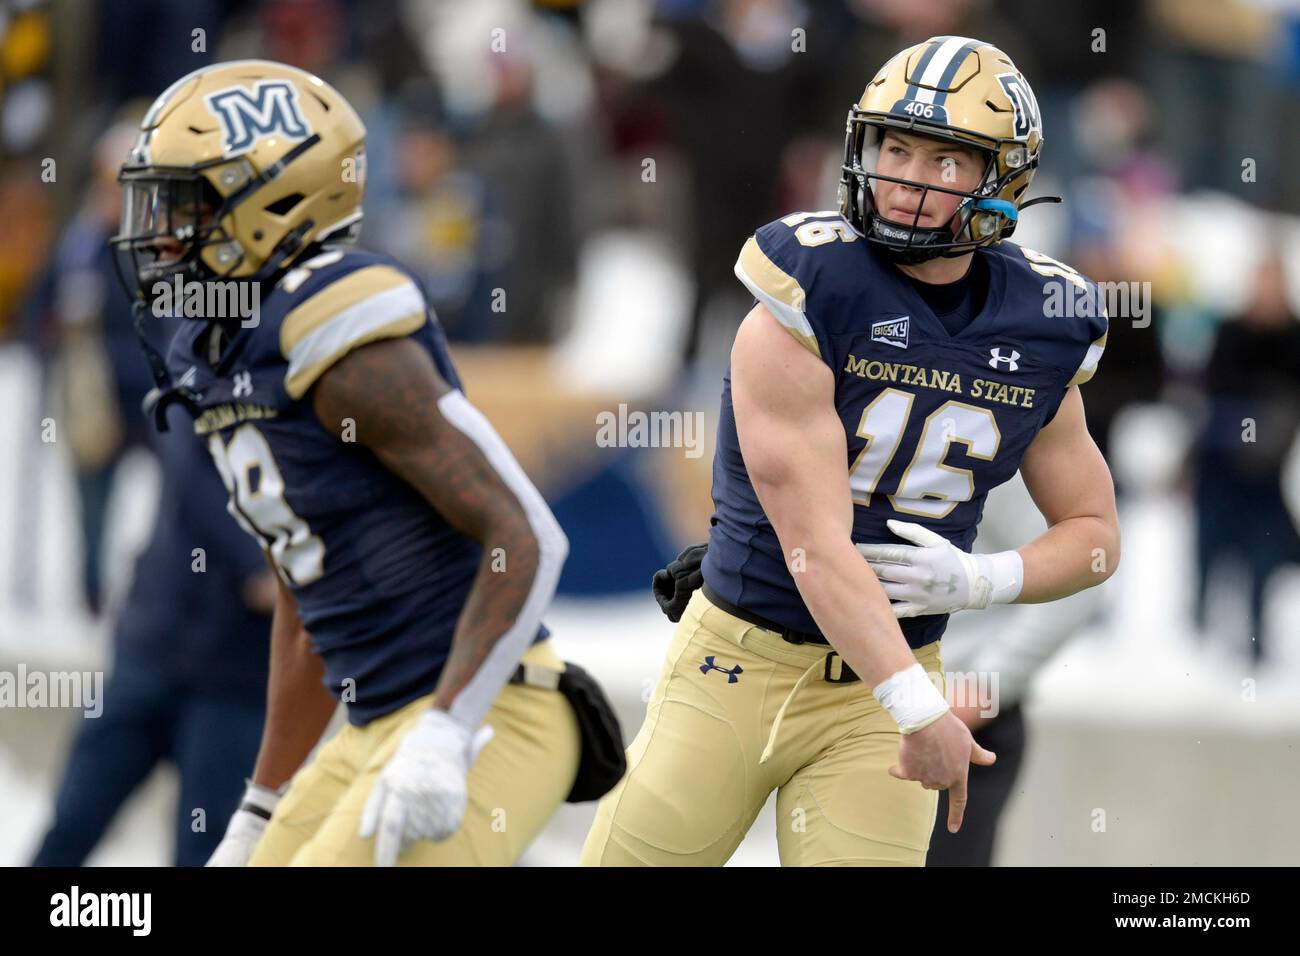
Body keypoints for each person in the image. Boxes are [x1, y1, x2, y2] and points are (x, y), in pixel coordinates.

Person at [583, 36, 1119, 867]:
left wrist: (983, 580)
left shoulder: (1042, 320)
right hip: (739, 660)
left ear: (1002, 180)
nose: (906, 177)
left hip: (891, 680)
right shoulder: (805, 292)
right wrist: (916, 704)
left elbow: (1094, 538)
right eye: (894, 147)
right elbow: (815, 548)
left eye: (945, 159)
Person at [110, 59, 604, 866]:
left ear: (271, 199)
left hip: (489, 713)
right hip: (376, 722)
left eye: (185, 205)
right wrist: (262, 805)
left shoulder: (334, 335)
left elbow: (526, 534)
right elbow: (305, 603)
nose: (160, 235)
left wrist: (446, 730)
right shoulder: (231, 344)